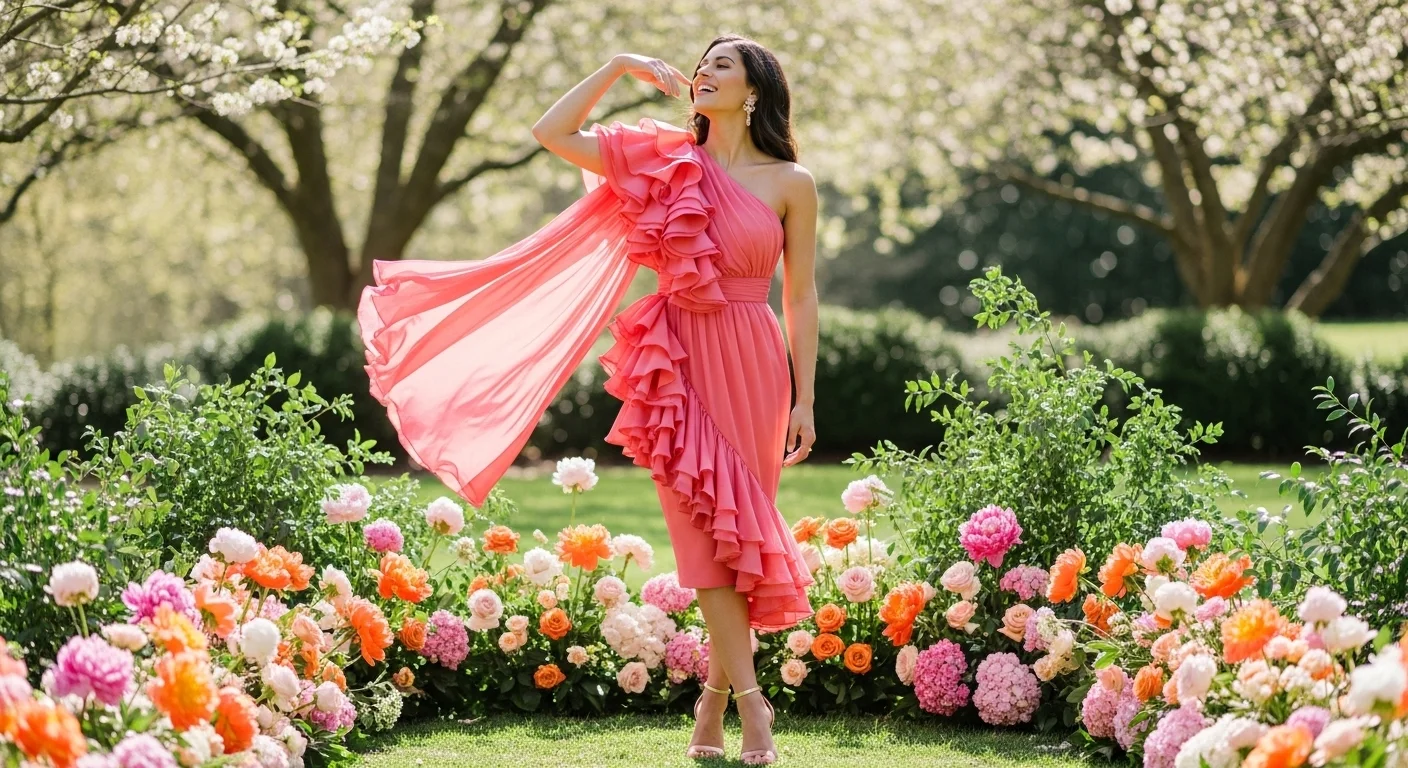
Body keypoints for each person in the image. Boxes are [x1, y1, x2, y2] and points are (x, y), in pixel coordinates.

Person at [357, 34, 818, 765]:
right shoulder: (669, 158)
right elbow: (552, 133)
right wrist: (620, 68)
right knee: (704, 539)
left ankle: (712, 705)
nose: (703, 74)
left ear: (755, 89)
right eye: (701, 65)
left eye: (721, 66)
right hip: (679, 365)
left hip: (756, 363)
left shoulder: (793, 181)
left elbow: (800, 295)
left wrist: (805, 396)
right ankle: (752, 709)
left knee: (744, 540)